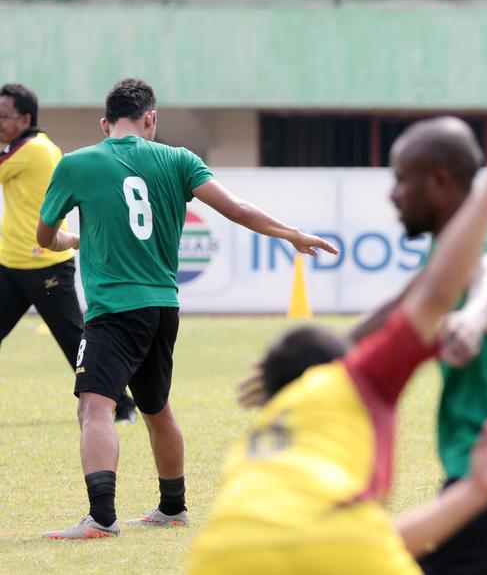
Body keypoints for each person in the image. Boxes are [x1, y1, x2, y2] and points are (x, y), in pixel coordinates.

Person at [187, 106, 487, 574]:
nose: (393, 194)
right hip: (342, 543)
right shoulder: (357, 381)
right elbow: (435, 294)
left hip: (216, 555)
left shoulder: (259, 440)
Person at [37, 78, 339, 540]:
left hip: (113, 308)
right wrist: (292, 234)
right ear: (150, 118)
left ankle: (101, 518)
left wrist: (66, 240)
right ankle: (173, 508)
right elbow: (237, 209)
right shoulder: (180, 160)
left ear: (104, 124)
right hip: (162, 307)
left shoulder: (76, 163)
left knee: (94, 407)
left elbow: (44, 236)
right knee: (157, 410)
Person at [346, 116, 487, 574]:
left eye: (402, 180)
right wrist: (326, 358)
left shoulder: (483, 239)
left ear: (440, 181)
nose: (393, 194)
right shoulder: (457, 240)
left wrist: (473, 318)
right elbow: (411, 300)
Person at [0, 83, 138, 422]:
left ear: (25, 118)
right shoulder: (21, 147)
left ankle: (122, 404)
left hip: (45, 264)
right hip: (11, 263)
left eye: (4, 115)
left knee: (75, 339)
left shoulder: (33, 150)